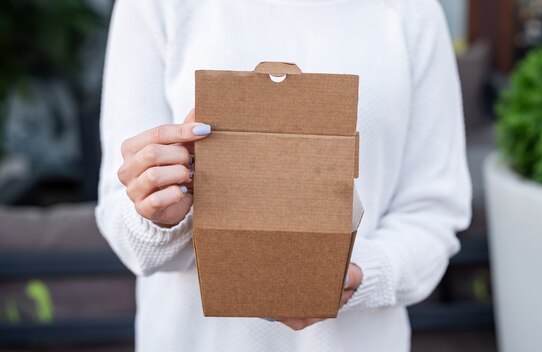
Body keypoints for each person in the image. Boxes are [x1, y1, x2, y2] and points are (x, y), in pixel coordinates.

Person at [95, 0, 471, 351]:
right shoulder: (157, 6)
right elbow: (117, 210)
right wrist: (158, 216)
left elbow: (434, 211)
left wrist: (359, 275)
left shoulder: (413, 11)